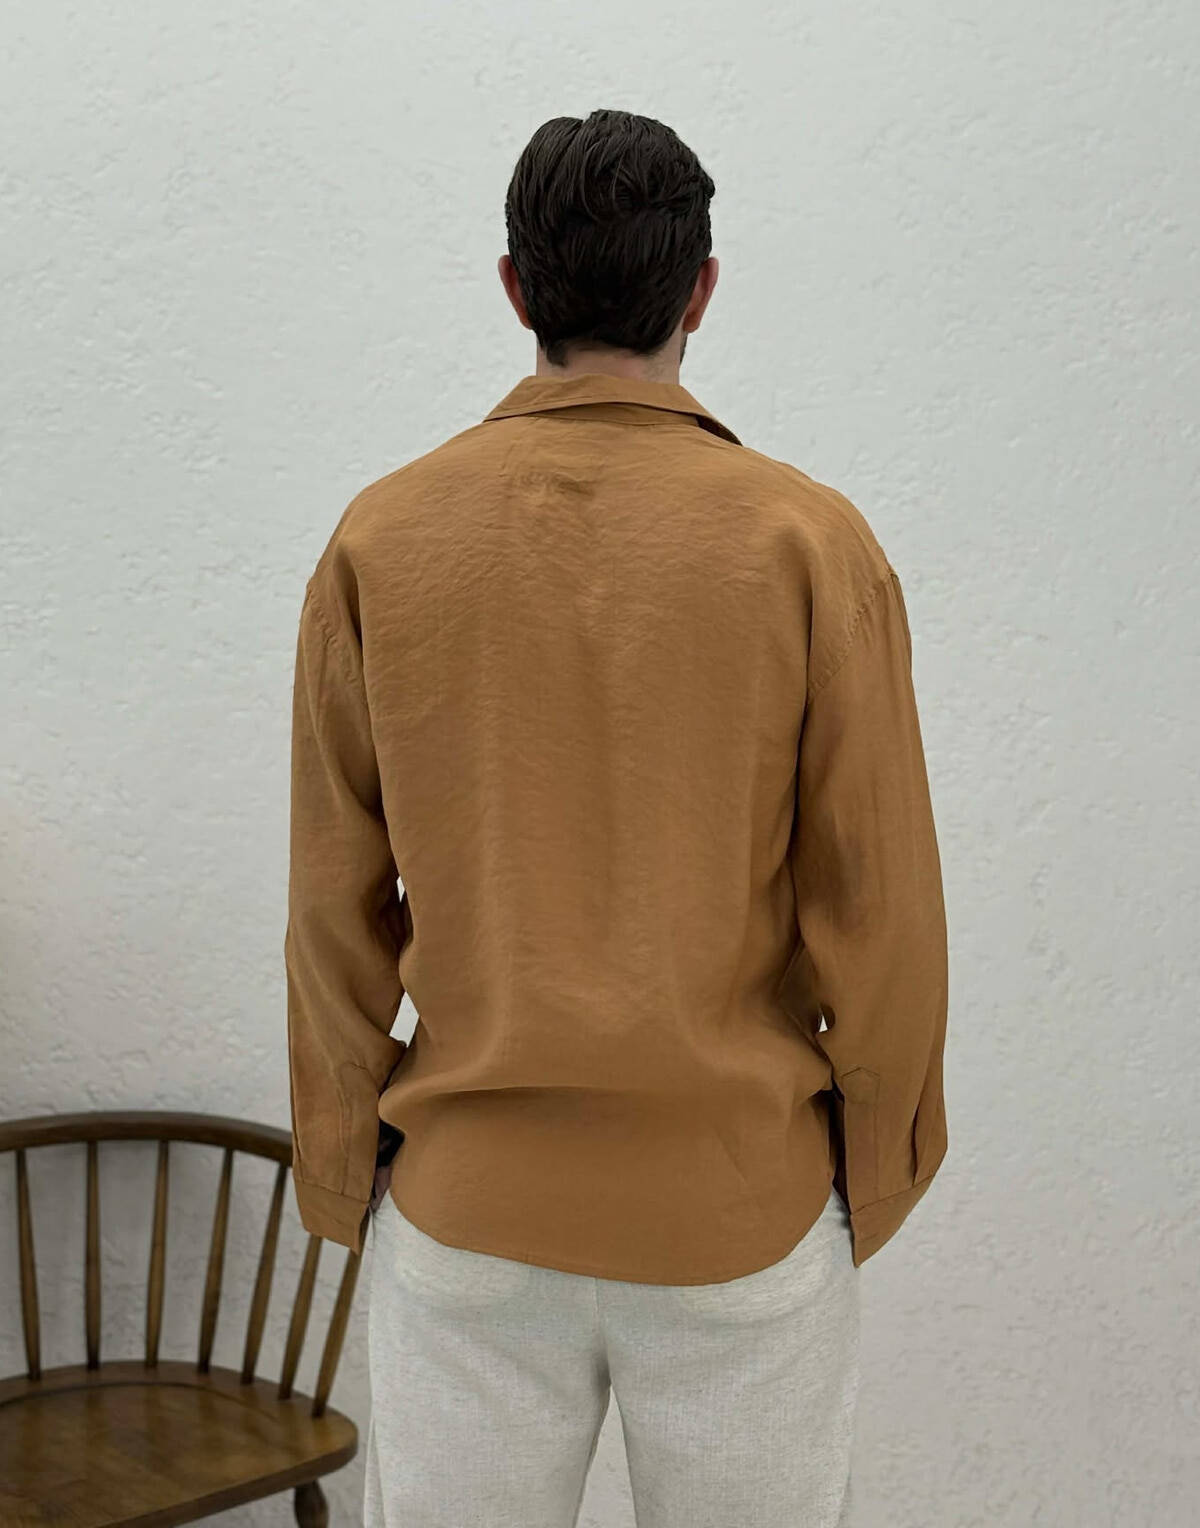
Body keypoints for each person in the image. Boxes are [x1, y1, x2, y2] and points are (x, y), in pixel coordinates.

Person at [284, 108, 949, 1528]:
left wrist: (344, 1169)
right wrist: (873, 1171)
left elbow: (334, 908)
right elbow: (880, 910)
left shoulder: (381, 540)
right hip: (737, 1209)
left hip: (468, 1216)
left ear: (514, 288)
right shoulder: (809, 545)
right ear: (700, 290)